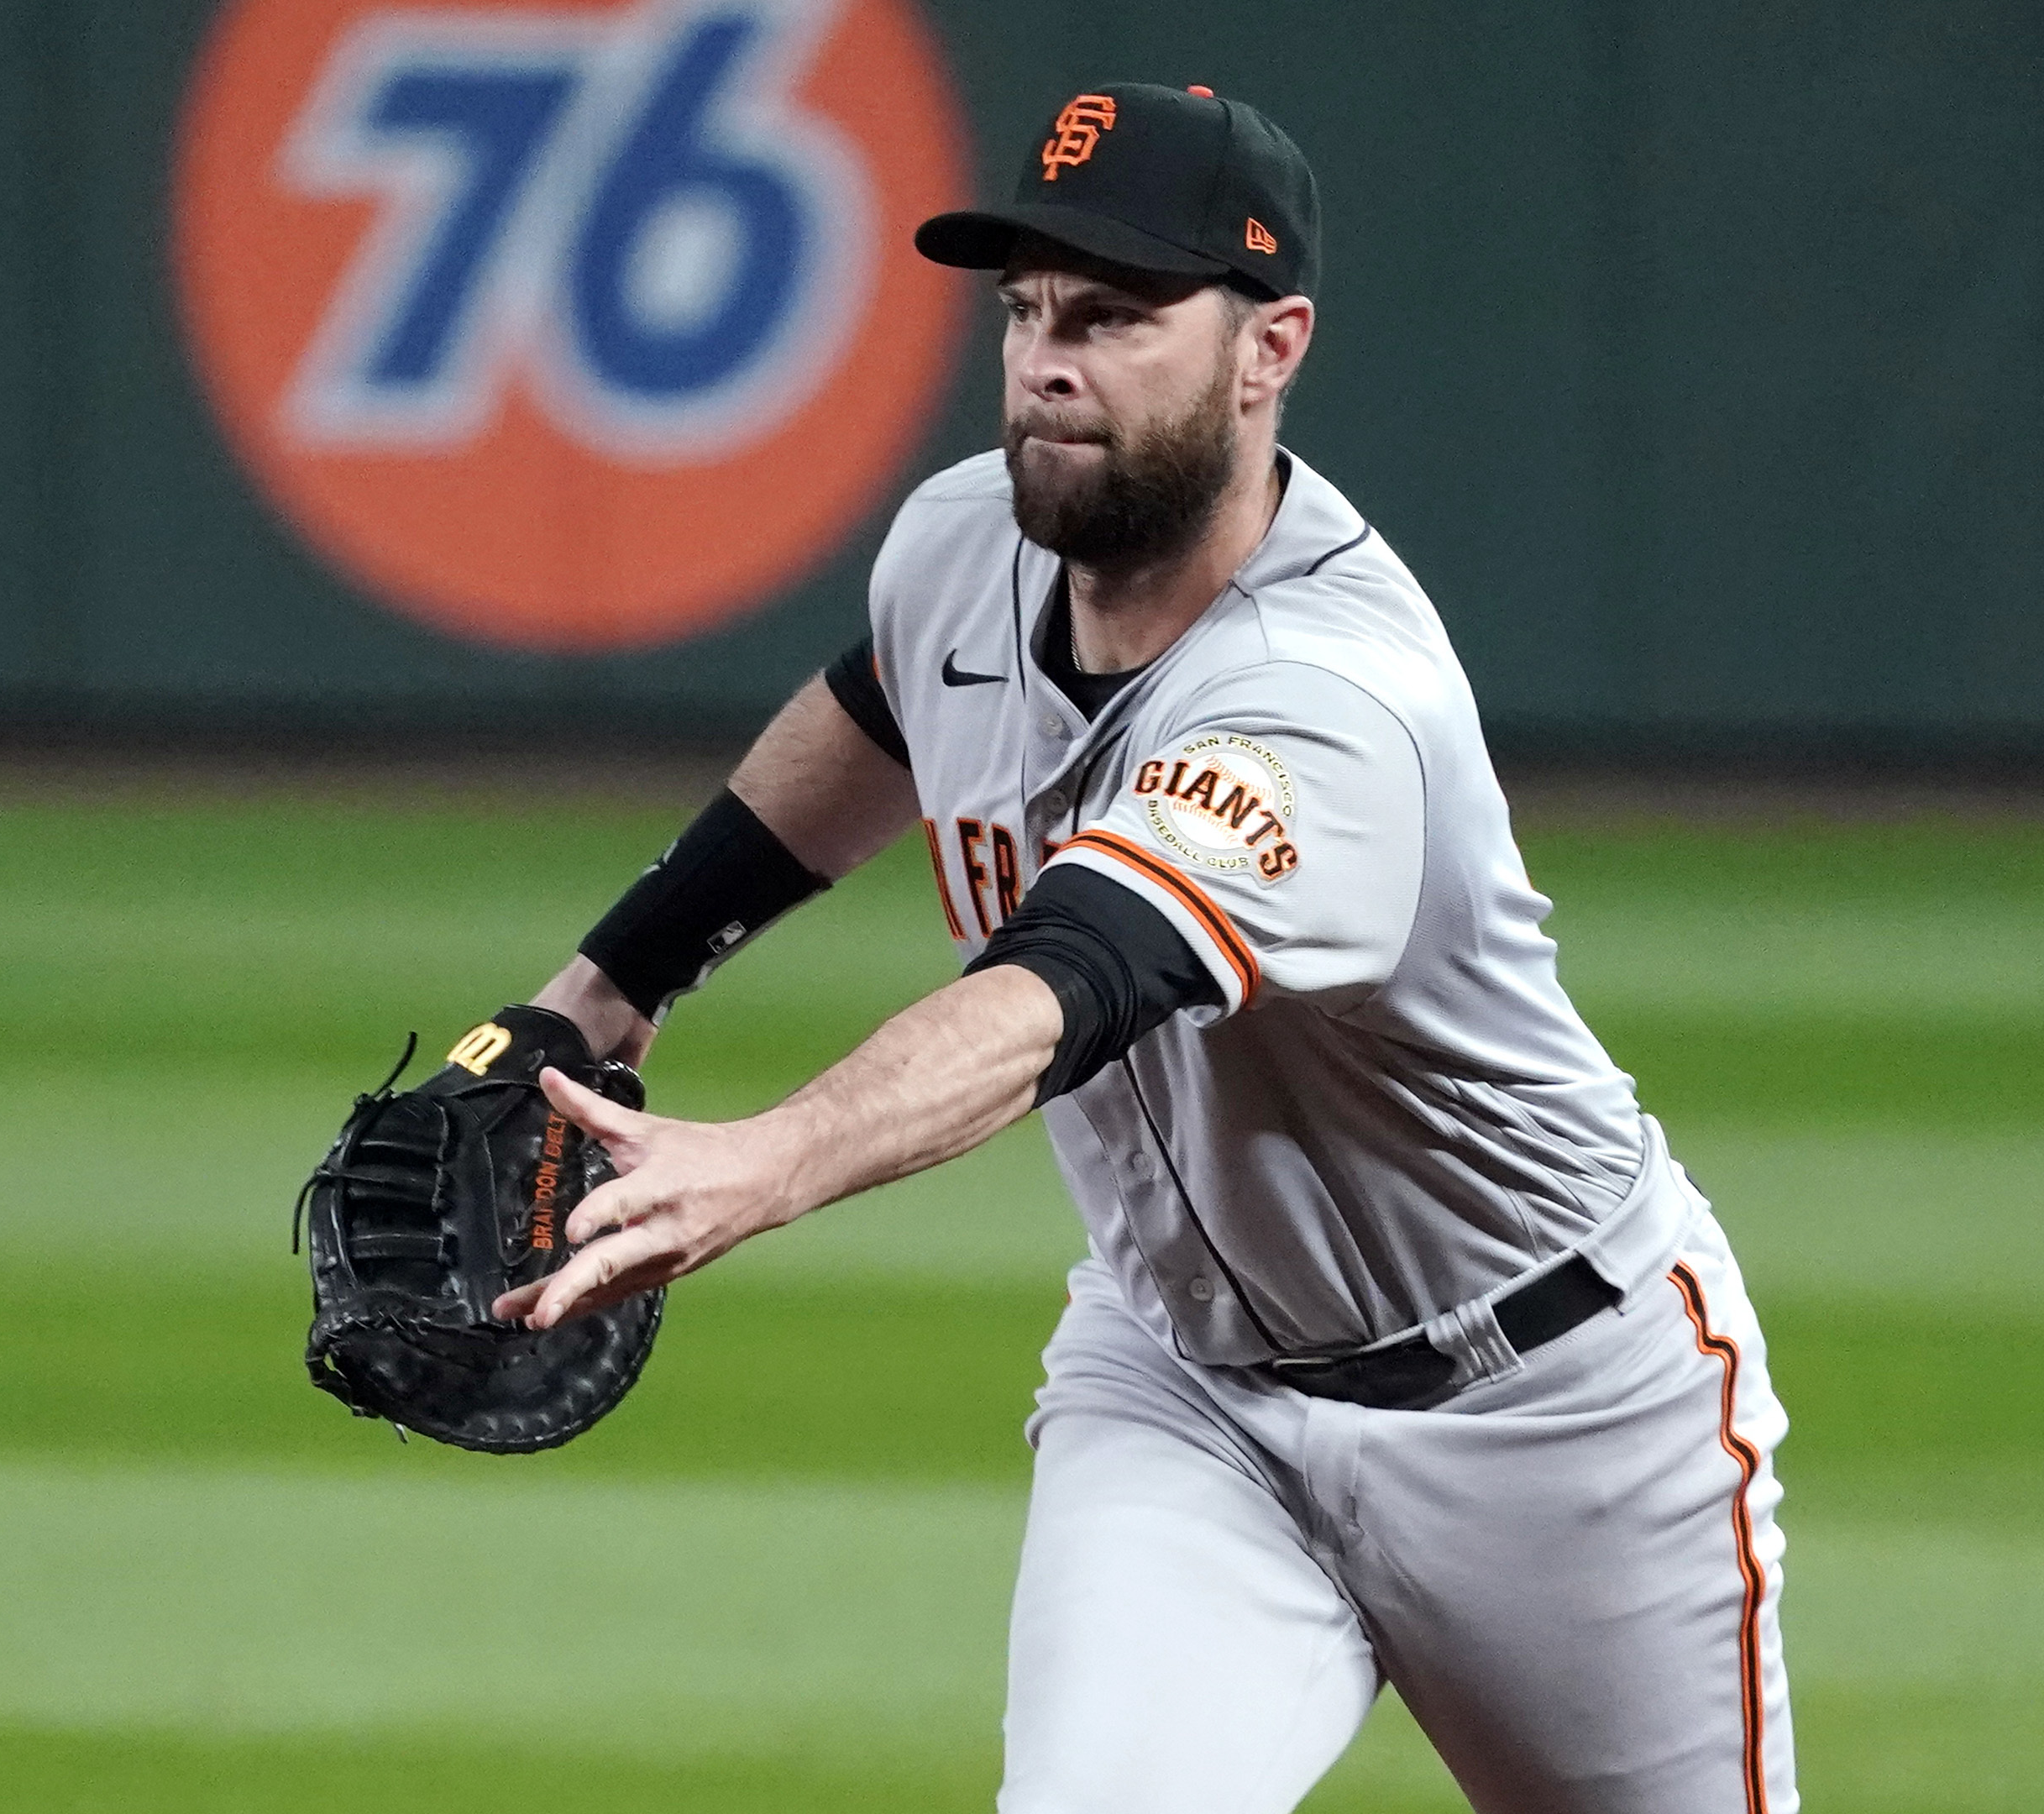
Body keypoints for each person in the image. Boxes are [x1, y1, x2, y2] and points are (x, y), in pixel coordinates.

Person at [492, 81, 1794, 1813]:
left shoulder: (1331, 699)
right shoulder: (967, 537)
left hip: (1553, 1411)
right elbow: (885, 705)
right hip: (1183, 1393)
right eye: (1026, 311)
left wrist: (767, 1162)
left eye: (1112, 316)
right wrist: (613, 982)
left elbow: (1063, 988)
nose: (1047, 360)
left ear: (1272, 349)